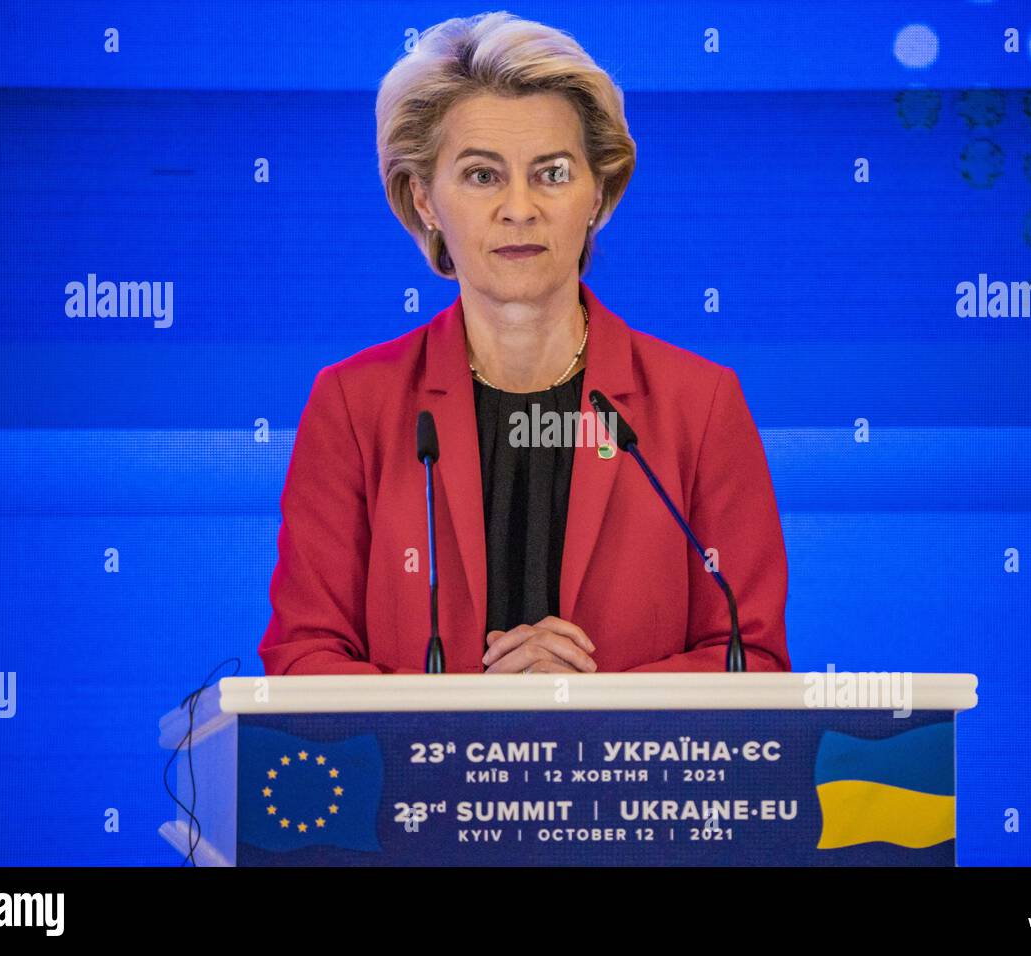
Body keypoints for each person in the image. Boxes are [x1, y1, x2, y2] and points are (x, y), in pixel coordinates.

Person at [258, 11, 789, 675]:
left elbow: (751, 658)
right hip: (419, 782)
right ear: (425, 199)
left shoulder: (699, 404)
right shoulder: (354, 405)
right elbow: (302, 658)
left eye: (554, 173)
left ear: (598, 191)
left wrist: (592, 706)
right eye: (482, 175)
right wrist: (474, 716)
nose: (519, 208)